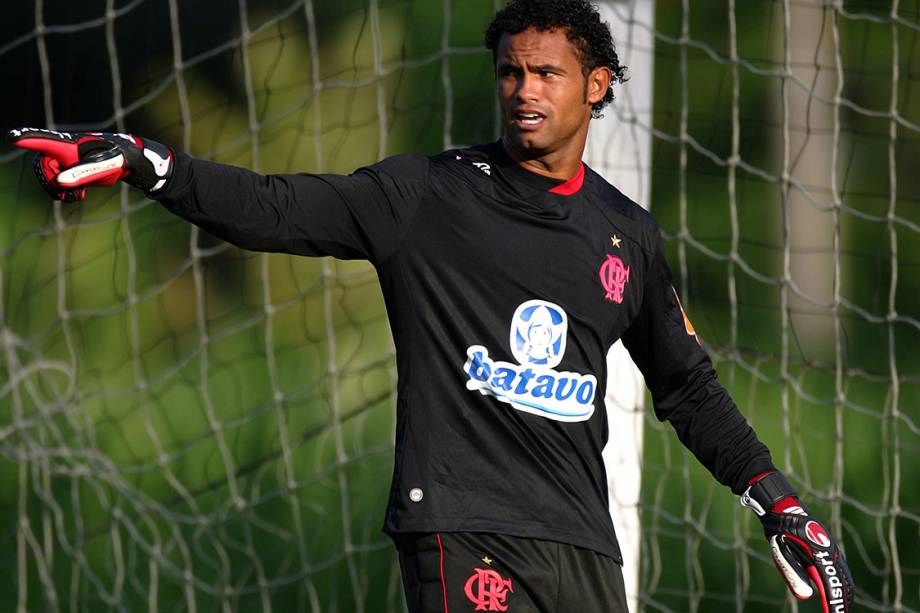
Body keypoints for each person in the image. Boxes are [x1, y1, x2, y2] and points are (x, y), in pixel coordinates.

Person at [7, 0, 854, 611]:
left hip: (583, 544)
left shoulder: (626, 234)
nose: (524, 89)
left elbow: (688, 388)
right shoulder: (427, 195)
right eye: (510, 72)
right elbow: (274, 204)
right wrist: (156, 166)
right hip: (460, 528)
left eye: (547, 73)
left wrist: (779, 501)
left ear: (596, 85)